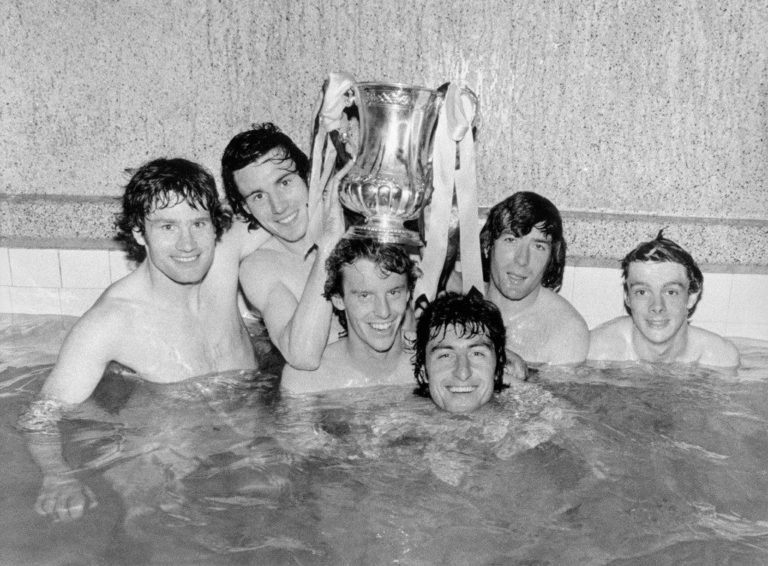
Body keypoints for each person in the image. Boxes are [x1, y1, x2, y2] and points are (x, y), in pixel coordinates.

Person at [20, 157, 262, 522]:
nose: (187, 244)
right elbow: (40, 415)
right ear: (138, 232)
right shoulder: (112, 322)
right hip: (168, 471)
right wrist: (58, 476)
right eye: (167, 226)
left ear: (215, 225)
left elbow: (293, 210)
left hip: (251, 448)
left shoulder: (223, 263)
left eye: (198, 223)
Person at [222, 123, 349, 370]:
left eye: (284, 183)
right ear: (246, 208)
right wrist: (328, 249)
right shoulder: (260, 267)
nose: (278, 206)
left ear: (307, 177)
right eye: (258, 196)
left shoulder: (359, 223)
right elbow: (303, 357)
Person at [281, 239, 421, 393]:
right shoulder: (306, 381)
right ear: (338, 299)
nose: (384, 312)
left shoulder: (432, 365)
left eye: (393, 293)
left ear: (408, 294)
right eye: (365, 296)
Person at [588, 231, 740, 367]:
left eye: (671, 292)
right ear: (627, 297)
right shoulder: (598, 353)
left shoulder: (720, 358)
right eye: (642, 292)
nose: (657, 306)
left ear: (691, 297)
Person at [481, 191, 589, 365]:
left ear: (551, 258)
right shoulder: (460, 299)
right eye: (511, 240)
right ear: (488, 245)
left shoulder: (566, 331)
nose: (522, 260)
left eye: (538, 246)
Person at [413, 290, 508, 413]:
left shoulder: (527, 416)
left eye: (477, 354)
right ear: (423, 370)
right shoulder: (395, 418)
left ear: (498, 365)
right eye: (445, 355)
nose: (463, 373)